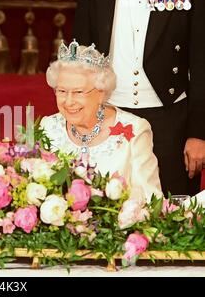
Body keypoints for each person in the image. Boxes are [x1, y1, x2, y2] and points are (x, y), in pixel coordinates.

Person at [73, 0, 205, 196]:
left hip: (169, 119)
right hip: (109, 115)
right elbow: (81, 55)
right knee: (108, 208)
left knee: (171, 211)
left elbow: (201, 62)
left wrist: (199, 133)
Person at [40, 41, 163, 203]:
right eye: (62, 91)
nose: (69, 102)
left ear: (101, 92)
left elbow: (151, 199)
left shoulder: (135, 130)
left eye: (78, 92)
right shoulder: (48, 127)